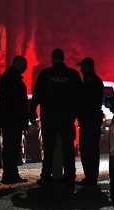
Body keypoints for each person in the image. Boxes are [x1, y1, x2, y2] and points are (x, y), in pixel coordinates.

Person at [29, 48, 82, 186]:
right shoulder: (72, 75)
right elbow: (80, 97)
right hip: (66, 118)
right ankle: (70, 176)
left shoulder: (46, 74)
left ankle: (46, 175)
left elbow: (37, 95)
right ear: (63, 58)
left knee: (49, 148)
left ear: (52, 58)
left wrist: (32, 112)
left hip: (49, 117)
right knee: (68, 148)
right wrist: (77, 114)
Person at [0, 55, 29, 184]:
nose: (26, 67)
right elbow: (16, 101)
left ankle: (10, 173)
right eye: (24, 64)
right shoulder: (13, 79)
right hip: (13, 119)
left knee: (11, 148)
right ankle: (10, 174)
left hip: (10, 119)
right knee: (12, 148)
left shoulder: (8, 77)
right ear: (18, 64)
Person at [76, 57, 104, 186]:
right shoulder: (95, 80)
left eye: (82, 66)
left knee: (88, 148)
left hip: (89, 119)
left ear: (88, 66)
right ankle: (91, 176)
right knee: (91, 148)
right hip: (92, 119)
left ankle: (90, 177)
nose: (81, 69)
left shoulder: (90, 81)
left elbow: (86, 101)